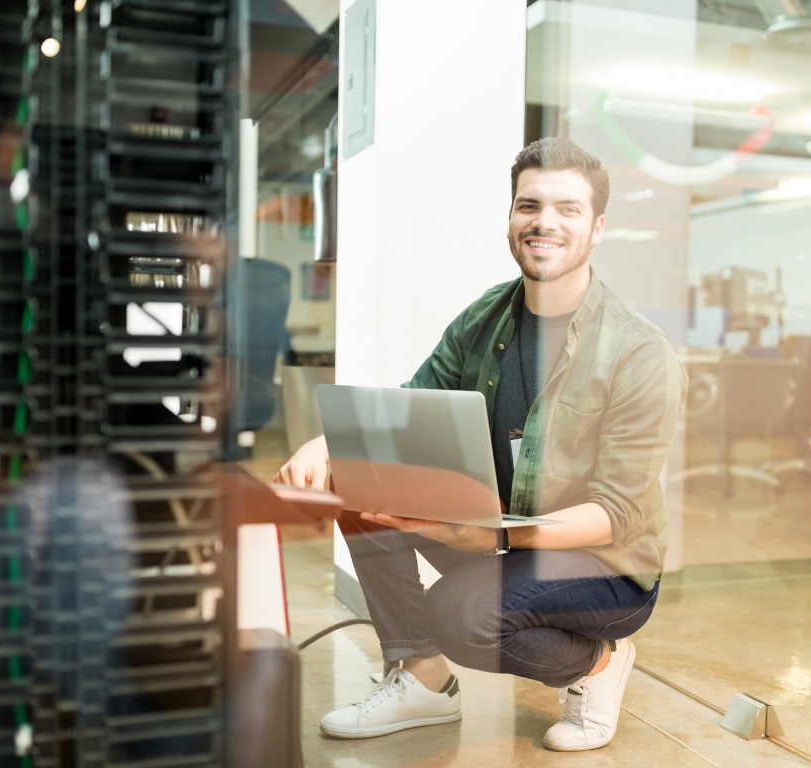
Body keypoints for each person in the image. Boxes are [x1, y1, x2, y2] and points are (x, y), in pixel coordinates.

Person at [275, 137, 687, 751]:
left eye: (568, 209)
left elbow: (615, 513)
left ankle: (598, 665)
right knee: (359, 481)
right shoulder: (486, 318)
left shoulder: (639, 350)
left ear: (597, 228)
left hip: (607, 565)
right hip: (503, 535)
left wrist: (493, 537)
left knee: (463, 615)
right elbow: (405, 412)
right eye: (529, 205)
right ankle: (424, 682)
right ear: (512, 218)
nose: (544, 221)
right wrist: (327, 444)